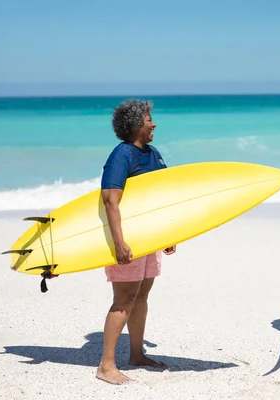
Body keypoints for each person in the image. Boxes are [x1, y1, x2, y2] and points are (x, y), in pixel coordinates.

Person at [96, 99, 177, 385]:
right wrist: (119, 243)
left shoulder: (154, 154)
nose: (153, 124)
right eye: (148, 119)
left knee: (141, 297)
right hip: (127, 238)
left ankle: (136, 354)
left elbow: (160, 197)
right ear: (134, 125)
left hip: (149, 238)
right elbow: (110, 201)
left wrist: (169, 234)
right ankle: (106, 365)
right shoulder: (122, 155)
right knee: (124, 299)